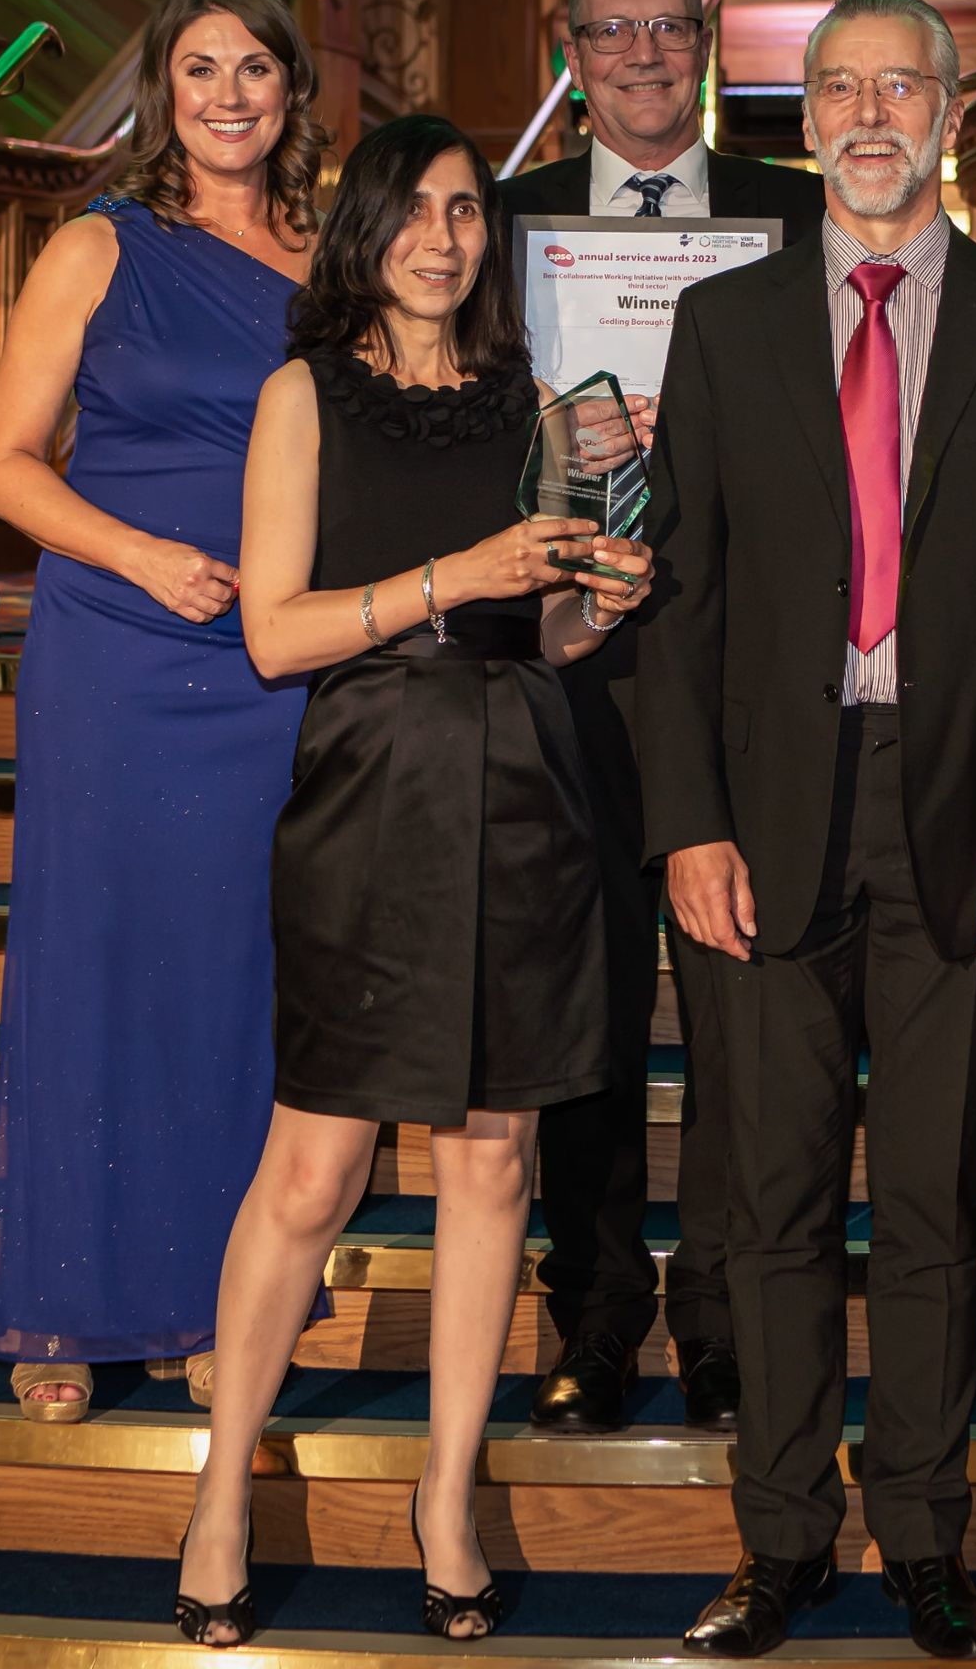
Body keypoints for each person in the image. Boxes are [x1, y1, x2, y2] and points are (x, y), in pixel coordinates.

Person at [636, 0, 976, 1660]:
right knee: (766, 1203)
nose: (866, 113)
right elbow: (675, 603)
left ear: (949, 107)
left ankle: (922, 1534)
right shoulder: (727, 323)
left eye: (898, 84)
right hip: (763, 824)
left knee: (928, 1205)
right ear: (803, 115)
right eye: (836, 86)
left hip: (961, 817)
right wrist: (684, 822)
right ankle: (781, 1544)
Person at [171, 115, 654, 1649]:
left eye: (467, 213)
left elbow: (555, 629)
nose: (444, 238)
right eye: (417, 211)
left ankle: (445, 1499)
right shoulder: (304, 393)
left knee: (494, 1163)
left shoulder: (532, 402)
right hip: (373, 785)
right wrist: (460, 576)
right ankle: (223, 1494)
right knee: (313, 1171)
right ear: (366, 228)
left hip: (526, 787)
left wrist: (601, 593)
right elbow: (273, 634)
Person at [0, 0, 325, 1423]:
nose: (230, 96)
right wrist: (144, 555)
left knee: (235, 977)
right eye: (200, 72)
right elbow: (3, 463)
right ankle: (61, 1303)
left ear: (291, 89)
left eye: (255, 69)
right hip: (119, 646)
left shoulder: (328, 250)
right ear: (159, 96)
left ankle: (203, 1297)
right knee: (97, 962)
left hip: (271, 655)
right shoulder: (97, 247)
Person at [499, 0, 828, 1436]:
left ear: (705, 41)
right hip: (555, 669)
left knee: (737, 1016)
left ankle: (720, 1312)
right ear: (569, 50)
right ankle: (595, 1312)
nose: (642, 54)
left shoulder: (799, 219)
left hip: (740, 671)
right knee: (586, 1016)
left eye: (669, 27)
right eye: (610, 30)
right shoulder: (497, 229)